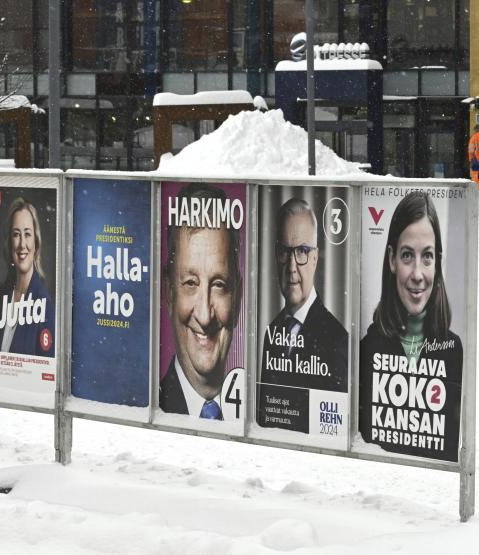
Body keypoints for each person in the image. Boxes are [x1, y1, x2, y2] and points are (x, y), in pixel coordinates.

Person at [359, 191, 462, 462]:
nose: (418, 274)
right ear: (392, 259)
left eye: (427, 256)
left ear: (437, 261)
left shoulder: (453, 350)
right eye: (407, 256)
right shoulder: (367, 349)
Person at [160, 183, 242, 419]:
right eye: (190, 283)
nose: (205, 316)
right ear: (169, 292)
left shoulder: (258, 411)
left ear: (238, 296)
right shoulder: (152, 404)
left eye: (219, 285)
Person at [260, 198, 347, 392]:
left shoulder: (337, 340)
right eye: (285, 251)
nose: (292, 267)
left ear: (315, 257)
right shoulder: (272, 331)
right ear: (276, 255)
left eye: (302, 251)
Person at [0, 197, 55, 356]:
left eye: (27, 234)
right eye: (16, 234)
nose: (22, 244)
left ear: (36, 242)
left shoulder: (43, 302)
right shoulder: (4, 292)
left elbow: (45, 369)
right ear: (9, 242)